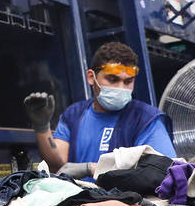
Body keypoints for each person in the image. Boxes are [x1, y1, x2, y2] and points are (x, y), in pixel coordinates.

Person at [24, 41, 175, 177]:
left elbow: (163, 172)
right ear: (91, 77)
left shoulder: (145, 120)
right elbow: (58, 165)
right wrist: (42, 128)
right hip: (80, 204)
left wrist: (92, 169)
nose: (121, 88)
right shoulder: (74, 115)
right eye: (113, 79)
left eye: (128, 81)